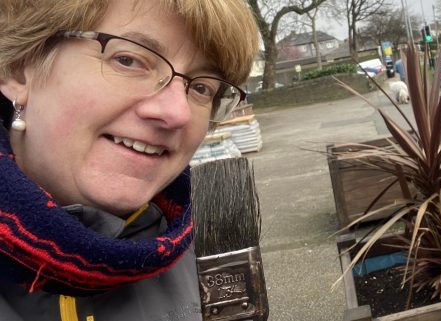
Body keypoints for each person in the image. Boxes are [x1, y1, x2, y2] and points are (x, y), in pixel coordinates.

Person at [0, 0, 259, 320]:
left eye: (202, 88)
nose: (177, 113)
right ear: (19, 69)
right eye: (129, 60)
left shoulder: (209, 246)